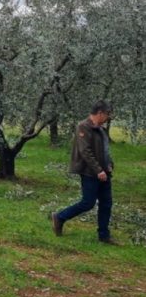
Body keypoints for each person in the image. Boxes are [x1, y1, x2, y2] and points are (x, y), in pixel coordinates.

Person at [51, 100, 117, 244]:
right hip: (90, 172)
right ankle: (60, 217)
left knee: (106, 203)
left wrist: (109, 164)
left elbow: (105, 150)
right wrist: (98, 170)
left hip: (104, 172)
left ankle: (104, 236)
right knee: (88, 203)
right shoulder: (84, 127)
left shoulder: (100, 129)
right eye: (107, 114)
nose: (108, 118)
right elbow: (85, 151)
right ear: (100, 113)